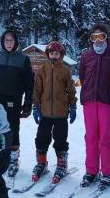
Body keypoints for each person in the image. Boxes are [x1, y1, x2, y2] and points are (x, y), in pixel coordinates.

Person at [0, 30, 34, 177]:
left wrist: (27, 104)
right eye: (6, 40)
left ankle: (13, 159)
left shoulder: (23, 59)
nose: (9, 43)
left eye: (11, 40)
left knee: (12, 128)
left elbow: (29, 84)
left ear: (16, 42)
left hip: (14, 99)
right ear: (2, 42)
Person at [78, 23, 110, 189]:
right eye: (94, 37)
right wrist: (88, 90)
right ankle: (92, 170)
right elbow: (82, 76)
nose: (98, 40)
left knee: (106, 138)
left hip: (106, 102)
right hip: (89, 101)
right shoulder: (87, 56)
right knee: (91, 137)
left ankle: (108, 172)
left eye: (101, 36)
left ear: (106, 37)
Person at [31, 41, 77, 183]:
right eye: (52, 53)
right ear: (48, 54)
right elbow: (37, 89)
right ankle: (42, 163)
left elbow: (71, 90)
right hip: (45, 112)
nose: (54, 56)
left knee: (60, 139)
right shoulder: (42, 70)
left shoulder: (65, 70)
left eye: (57, 53)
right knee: (41, 138)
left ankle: (61, 164)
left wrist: (73, 106)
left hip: (61, 113)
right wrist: (36, 106)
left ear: (61, 55)